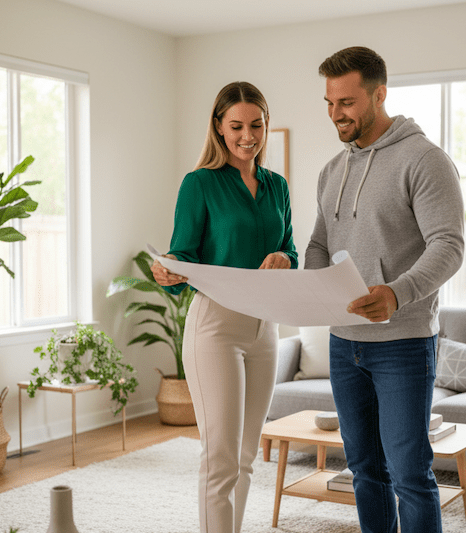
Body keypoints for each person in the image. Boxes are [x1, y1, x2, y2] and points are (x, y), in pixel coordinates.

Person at [306, 46, 465, 533]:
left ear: (379, 94)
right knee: (364, 470)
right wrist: (306, 282)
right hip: (343, 343)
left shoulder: (425, 160)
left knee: (409, 474)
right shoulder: (333, 170)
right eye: (330, 103)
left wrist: (397, 293)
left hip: (402, 344)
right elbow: (318, 243)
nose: (336, 114)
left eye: (347, 103)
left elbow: (449, 245)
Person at [151, 81, 297, 533]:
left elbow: (290, 247)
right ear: (219, 126)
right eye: (237, 126)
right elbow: (183, 254)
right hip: (215, 327)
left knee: (247, 457)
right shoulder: (200, 184)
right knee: (220, 458)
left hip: (264, 329)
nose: (247, 135)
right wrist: (169, 269)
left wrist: (285, 258)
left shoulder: (277, 186)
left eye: (257, 125)